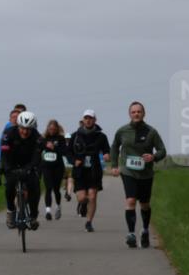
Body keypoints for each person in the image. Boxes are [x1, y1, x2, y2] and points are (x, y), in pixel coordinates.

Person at [111, 102, 167, 249]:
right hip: (128, 171)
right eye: (133, 112)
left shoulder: (151, 132)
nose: (136, 114)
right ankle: (131, 234)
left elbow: (162, 150)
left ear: (144, 113)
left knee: (145, 204)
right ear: (130, 114)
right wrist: (115, 166)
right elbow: (115, 147)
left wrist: (153, 157)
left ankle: (145, 230)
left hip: (146, 173)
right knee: (130, 201)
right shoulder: (122, 131)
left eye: (139, 112)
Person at [68, 110, 111, 233]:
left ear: (95, 120)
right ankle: (82, 204)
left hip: (94, 170)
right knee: (82, 198)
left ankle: (89, 222)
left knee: (92, 196)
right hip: (80, 170)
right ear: (83, 120)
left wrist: (107, 155)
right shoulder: (75, 135)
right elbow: (68, 152)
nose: (88, 120)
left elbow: (106, 149)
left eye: (90, 118)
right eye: (86, 118)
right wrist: (73, 160)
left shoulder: (101, 136)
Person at [0, 111, 44, 230]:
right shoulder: (8, 134)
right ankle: (11, 210)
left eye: (28, 129)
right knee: (9, 185)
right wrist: (7, 168)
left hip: (28, 164)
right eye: (22, 128)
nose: (25, 132)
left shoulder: (38, 138)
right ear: (18, 126)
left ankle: (33, 215)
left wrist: (29, 168)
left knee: (34, 187)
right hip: (12, 163)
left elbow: (37, 157)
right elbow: (4, 154)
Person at [40, 120, 70, 221]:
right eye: (50, 129)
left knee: (56, 189)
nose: (52, 130)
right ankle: (48, 211)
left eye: (53, 129)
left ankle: (58, 206)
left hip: (58, 167)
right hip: (46, 167)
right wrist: (45, 145)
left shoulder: (60, 139)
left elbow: (64, 151)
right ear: (47, 129)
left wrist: (54, 148)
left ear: (57, 129)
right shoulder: (43, 138)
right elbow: (38, 148)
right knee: (48, 188)